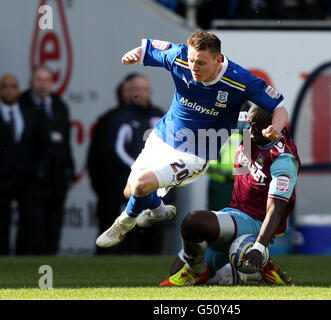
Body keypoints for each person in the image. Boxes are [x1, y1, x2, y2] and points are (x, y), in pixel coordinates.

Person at [96, 30, 289, 250]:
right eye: (190, 60)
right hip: (162, 137)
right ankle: (159, 210)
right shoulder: (179, 56)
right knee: (131, 192)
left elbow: (279, 107)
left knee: (141, 186)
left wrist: (276, 127)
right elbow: (147, 51)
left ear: (218, 60)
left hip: (195, 153)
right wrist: (134, 54)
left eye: (200, 62)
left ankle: (124, 222)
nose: (193, 67)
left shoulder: (240, 79)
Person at [160, 105, 299, 286]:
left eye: (255, 127)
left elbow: (276, 208)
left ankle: (200, 271)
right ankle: (249, 272)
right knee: (176, 271)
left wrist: (259, 246)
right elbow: (214, 119)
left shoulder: (283, 159)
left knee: (193, 222)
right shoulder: (252, 128)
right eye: (249, 125)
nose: (249, 131)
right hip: (234, 211)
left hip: (256, 222)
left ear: (270, 128)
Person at [88, 73, 171, 254]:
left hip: (156, 183)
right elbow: (115, 151)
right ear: (129, 92)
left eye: (145, 89)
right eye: (137, 89)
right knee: (126, 237)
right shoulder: (118, 118)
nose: (141, 93)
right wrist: (140, 170)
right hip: (126, 185)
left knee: (153, 236)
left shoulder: (159, 116)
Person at [19, 66, 75, 255]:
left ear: (52, 83)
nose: (43, 85)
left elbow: (66, 141)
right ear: (31, 82)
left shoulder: (59, 106)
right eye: (38, 80)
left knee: (54, 225)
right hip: (32, 177)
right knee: (33, 227)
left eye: (47, 80)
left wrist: (70, 168)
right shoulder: (22, 104)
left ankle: (51, 263)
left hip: (57, 176)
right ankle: (31, 267)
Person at [0, 74, 47, 255]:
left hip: (26, 178)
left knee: (30, 221)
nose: (9, 90)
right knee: (0, 223)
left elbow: (41, 145)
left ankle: (25, 258)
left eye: (13, 86)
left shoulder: (30, 113)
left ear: (19, 89)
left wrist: (37, 171)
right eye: (5, 86)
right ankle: (2, 257)